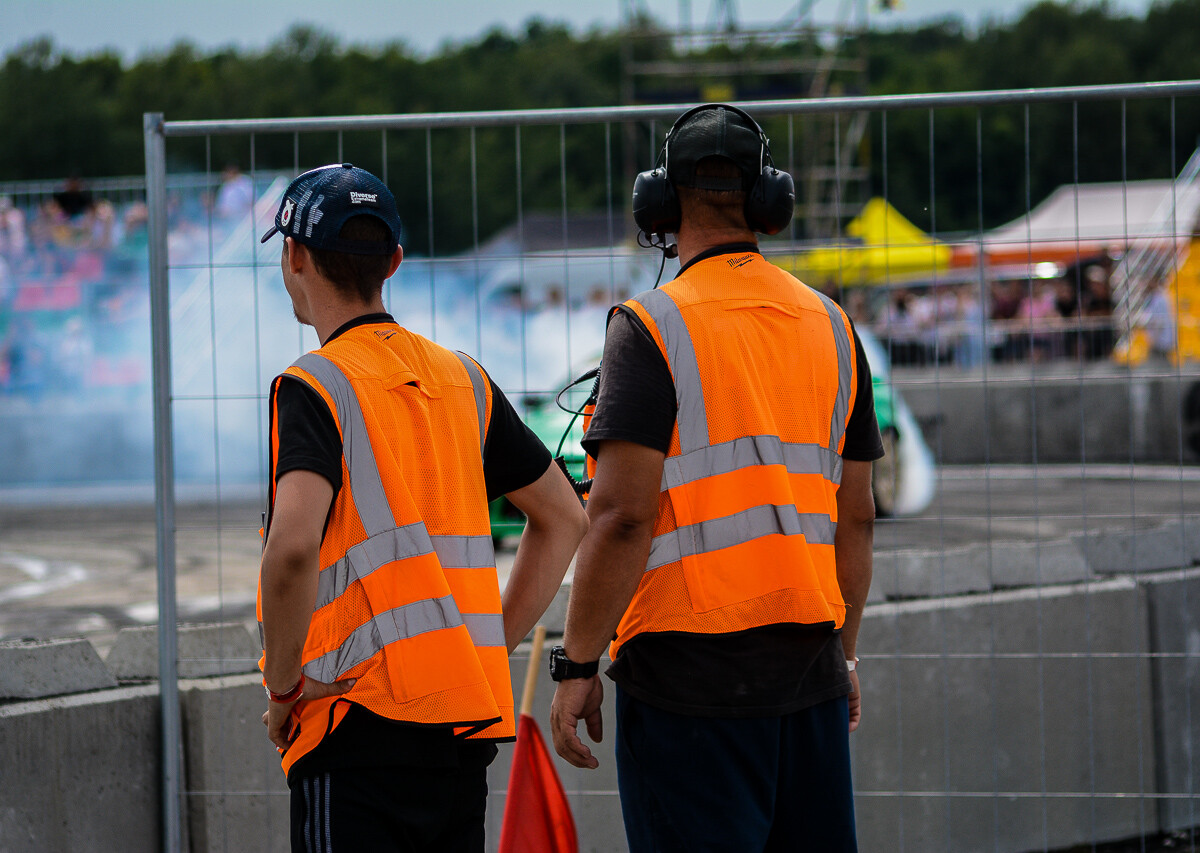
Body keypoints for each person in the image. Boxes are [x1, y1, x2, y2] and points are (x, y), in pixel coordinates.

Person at [549, 104, 882, 852]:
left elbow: (620, 517)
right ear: (769, 200)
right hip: (811, 678)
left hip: (685, 688)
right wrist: (846, 654)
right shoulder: (832, 324)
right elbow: (855, 515)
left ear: (660, 205)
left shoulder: (651, 328)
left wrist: (577, 663)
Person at [256, 163, 588, 853]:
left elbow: (291, 551)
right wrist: (485, 642)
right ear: (395, 262)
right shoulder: (462, 377)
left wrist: (284, 689)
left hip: (352, 729)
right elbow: (564, 518)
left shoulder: (313, 386)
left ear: (294, 255)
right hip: (458, 740)